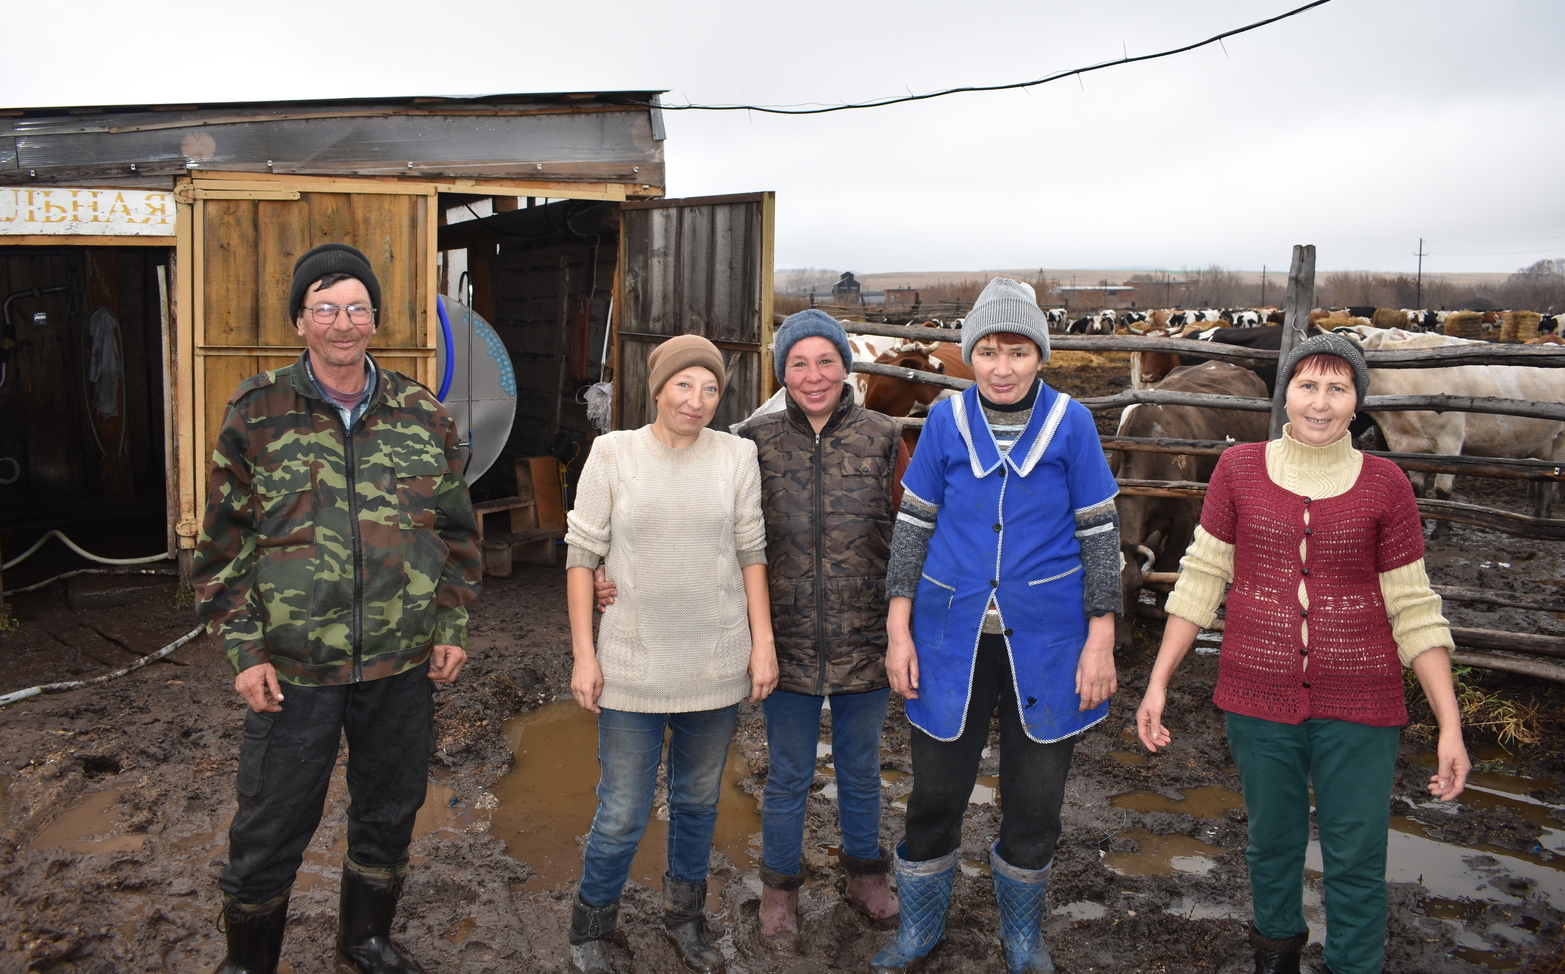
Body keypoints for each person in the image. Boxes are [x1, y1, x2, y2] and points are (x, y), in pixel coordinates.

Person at [1135, 333, 1470, 974]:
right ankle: (1276, 957)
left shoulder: (1385, 485)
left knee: (1357, 853)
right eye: (1307, 386)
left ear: (1357, 402)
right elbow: (1202, 577)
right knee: (1272, 844)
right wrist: (1158, 683)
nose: (1320, 403)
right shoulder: (1238, 472)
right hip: (1257, 699)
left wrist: (1449, 725)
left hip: (1362, 703)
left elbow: (1415, 607)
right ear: (1284, 393)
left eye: (1337, 388)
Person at [193, 243, 482, 974]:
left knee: (388, 811)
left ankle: (365, 940)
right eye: (325, 308)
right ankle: (247, 961)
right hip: (296, 670)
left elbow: (456, 532)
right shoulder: (256, 411)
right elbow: (224, 545)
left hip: (400, 663)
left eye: (357, 308)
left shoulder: (422, 413)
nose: (343, 322)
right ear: (300, 321)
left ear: (375, 320)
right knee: (270, 824)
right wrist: (245, 650)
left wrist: (449, 625)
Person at [599, 310, 909, 950]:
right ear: (782, 373)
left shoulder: (884, 437)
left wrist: (908, 626)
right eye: (799, 363)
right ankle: (779, 887)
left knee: (859, 768)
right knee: (789, 773)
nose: (814, 375)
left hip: (865, 637)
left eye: (827, 361)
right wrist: (613, 568)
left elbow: (911, 538)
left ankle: (865, 873)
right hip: (783, 640)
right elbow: (695, 505)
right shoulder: (754, 441)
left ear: (846, 367)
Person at [876, 279, 1123, 974]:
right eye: (988, 350)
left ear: (1040, 355)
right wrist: (899, 630)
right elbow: (913, 526)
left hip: (1049, 639)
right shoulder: (947, 422)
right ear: (970, 356)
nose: (1003, 366)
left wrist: (1100, 637)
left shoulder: (1071, 422)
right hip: (949, 635)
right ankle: (920, 928)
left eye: (1017, 351)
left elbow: (1099, 531)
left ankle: (1022, 937)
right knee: (933, 794)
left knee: (1035, 799)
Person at [562, 334, 778, 974]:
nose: (697, 399)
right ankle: (591, 925)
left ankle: (685, 916)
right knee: (623, 810)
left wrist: (762, 646)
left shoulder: (738, 456)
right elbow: (581, 555)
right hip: (632, 663)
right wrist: (584, 654)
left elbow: (752, 553)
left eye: (710, 388)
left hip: (714, 662)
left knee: (697, 803)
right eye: (684, 385)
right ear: (657, 389)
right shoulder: (612, 453)